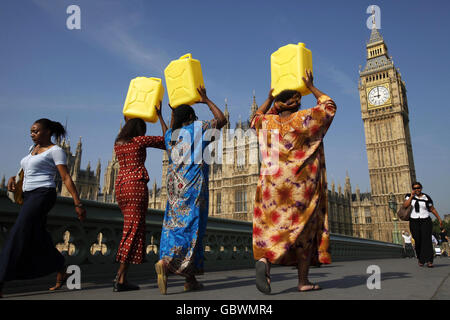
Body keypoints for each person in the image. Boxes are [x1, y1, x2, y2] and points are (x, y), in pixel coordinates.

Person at [250, 70, 336, 294]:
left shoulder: (267, 123)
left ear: (278, 105)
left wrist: (270, 99)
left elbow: (255, 120)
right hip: (300, 187)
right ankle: (303, 281)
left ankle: (265, 263)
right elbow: (329, 107)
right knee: (304, 232)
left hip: (271, 188)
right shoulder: (305, 118)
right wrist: (311, 86)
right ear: (297, 103)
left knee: (274, 228)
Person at [0, 119, 86, 298]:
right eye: (31, 131)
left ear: (47, 132)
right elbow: (24, 171)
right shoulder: (32, 150)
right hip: (29, 195)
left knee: (17, 233)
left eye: (36, 131)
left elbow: (66, 178)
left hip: (43, 194)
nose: (32, 134)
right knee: (38, 236)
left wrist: (77, 202)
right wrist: (12, 179)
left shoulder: (56, 151)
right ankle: (61, 268)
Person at [155, 86, 227, 295]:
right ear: (191, 116)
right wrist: (205, 99)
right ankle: (169, 266)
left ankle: (188, 278)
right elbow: (221, 120)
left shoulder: (171, 135)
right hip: (193, 189)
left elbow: (167, 132)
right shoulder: (198, 129)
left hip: (173, 190)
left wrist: (164, 115)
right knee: (193, 230)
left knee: (173, 227)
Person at [113, 107, 167, 292]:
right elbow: (167, 140)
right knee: (133, 230)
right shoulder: (139, 141)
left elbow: (127, 125)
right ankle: (120, 278)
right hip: (135, 186)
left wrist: (130, 115)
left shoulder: (118, 143)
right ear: (139, 131)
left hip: (120, 187)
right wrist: (160, 116)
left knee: (130, 228)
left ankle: (122, 277)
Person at [403, 182, 443, 268]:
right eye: (414, 188)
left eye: (418, 188)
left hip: (425, 220)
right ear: (412, 189)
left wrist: (439, 219)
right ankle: (421, 259)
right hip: (414, 221)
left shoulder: (426, 197)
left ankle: (429, 260)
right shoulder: (409, 196)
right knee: (417, 240)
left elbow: (432, 209)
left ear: (421, 188)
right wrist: (411, 196)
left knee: (427, 240)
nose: (417, 189)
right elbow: (405, 205)